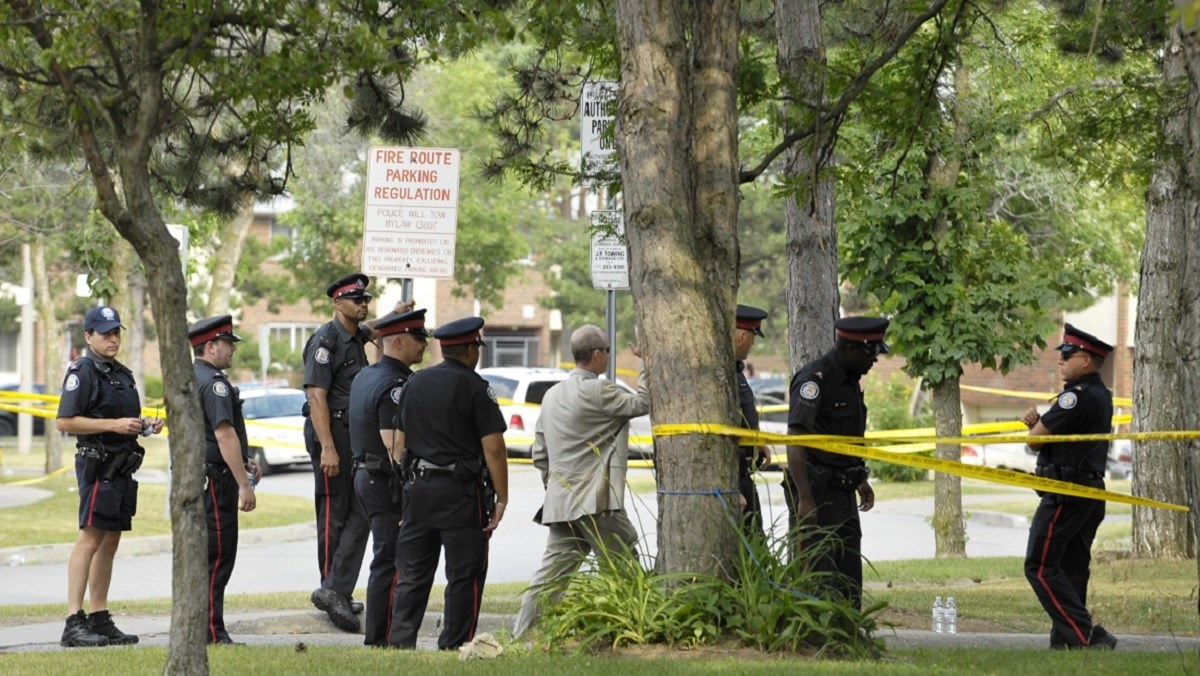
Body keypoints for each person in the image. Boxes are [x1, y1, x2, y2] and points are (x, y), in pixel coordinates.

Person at [511, 325, 650, 638]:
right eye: (609, 351)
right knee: (624, 568)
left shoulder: (551, 396)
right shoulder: (601, 391)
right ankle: (634, 631)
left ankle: (520, 636)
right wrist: (645, 361)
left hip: (561, 503)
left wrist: (557, 485)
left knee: (549, 579)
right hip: (598, 504)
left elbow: (540, 455)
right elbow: (642, 403)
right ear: (598, 355)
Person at [388, 316, 509, 650]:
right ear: (472, 350)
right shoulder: (476, 386)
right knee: (464, 573)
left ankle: (400, 642)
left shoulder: (414, 382)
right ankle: (455, 643)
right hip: (460, 492)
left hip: (418, 488)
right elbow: (495, 449)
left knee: (412, 572)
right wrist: (502, 499)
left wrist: (406, 490)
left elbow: (398, 443)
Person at [57, 306, 164, 647]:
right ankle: (74, 621)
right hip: (97, 466)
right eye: (105, 333)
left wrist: (144, 425)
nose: (112, 338)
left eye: (116, 331)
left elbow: (123, 418)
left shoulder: (123, 374)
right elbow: (65, 421)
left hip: (122, 467)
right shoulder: (83, 371)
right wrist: (113, 425)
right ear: (88, 336)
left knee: (110, 542)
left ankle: (99, 617)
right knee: (89, 538)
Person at [1021, 324, 1118, 650]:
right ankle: (1064, 643)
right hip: (1087, 492)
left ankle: (1087, 636)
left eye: (1067, 355)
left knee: (1039, 566)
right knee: (1071, 569)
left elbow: (1036, 442)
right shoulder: (1101, 395)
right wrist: (1040, 427)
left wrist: (1035, 428)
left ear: (1088, 360)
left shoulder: (1074, 398)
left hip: (1066, 493)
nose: (1060, 361)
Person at [784, 316, 888, 610]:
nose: (875, 361)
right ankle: (818, 639)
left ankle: (849, 636)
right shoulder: (814, 381)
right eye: (872, 353)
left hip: (843, 491)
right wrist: (804, 498)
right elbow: (795, 440)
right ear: (852, 348)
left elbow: (845, 438)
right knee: (820, 575)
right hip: (817, 493)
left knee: (849, 576)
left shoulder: (851, 382)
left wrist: (860, 479)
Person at [349, 308, 430, 647]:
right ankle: (380, 637)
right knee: (390, 559)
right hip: (384, 480)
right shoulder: (396, 384)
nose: (423, 345)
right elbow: (394, 444)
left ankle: (380, 634)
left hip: (365, 477)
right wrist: (410, 485)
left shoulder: (366, 375)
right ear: (397, 341)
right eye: (418, 338)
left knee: (385, 555)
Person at [303, 272, 373, 631]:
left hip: (352, 433)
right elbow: (316, 396)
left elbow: (377, 331)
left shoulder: (357, 335)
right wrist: (328, 447)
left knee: (357, 510)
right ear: (337, 303)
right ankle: (331, 592)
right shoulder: (325, 340)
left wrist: (397, 313)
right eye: (356, 300)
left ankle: (338, 589)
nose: (363, 305)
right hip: (332, 434)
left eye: (366, 300)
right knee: (333, 514)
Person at [190, 314, 260, 645]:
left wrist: (243, 463)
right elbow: (223, 434)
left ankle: (202, 627)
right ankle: (212, 632)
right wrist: (243, 484)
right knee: (217, 555)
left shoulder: (190, 376)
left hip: (198, 475)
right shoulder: (214, 382)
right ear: (211, 346)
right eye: (228, 344)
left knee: (205, 556)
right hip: (214, 481)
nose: (232, 350)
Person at [734, 304, 771, 536]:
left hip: (743, 472)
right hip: (733, 476)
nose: (753, 344)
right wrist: (731, 487)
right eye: (752, 337)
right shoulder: (724, 373)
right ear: (741, 335)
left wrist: (757, 441)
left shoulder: (736, 371)